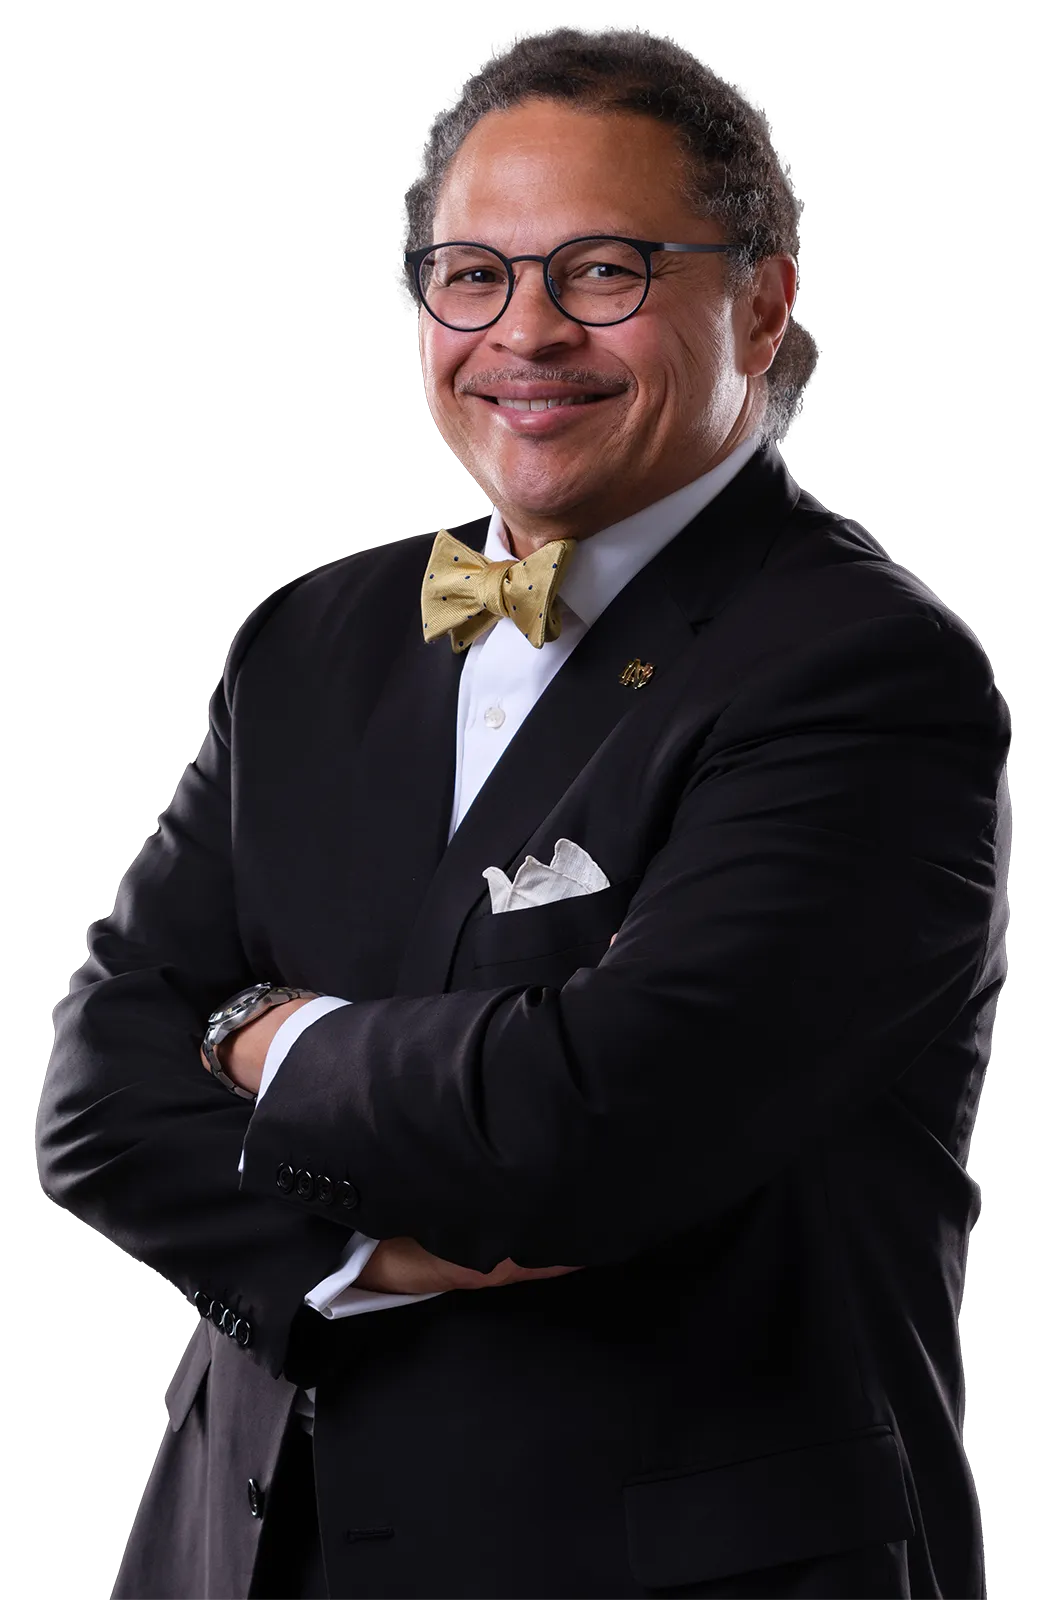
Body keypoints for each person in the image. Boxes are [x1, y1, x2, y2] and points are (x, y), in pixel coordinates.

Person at [35, 24, 1010, 1600]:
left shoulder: (868, 671)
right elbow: (94, 1097)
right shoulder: (310, 639)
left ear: (762, 306)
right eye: (473, 276)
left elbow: (592, 1123)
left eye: (604, 272)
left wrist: (267, 1043)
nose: (526, 332)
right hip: (247, 1562)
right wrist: (356, 1253)